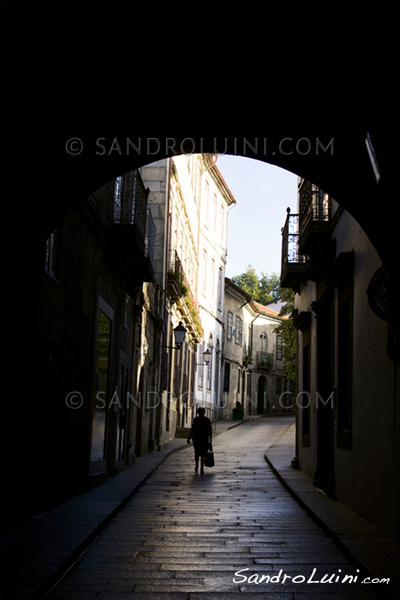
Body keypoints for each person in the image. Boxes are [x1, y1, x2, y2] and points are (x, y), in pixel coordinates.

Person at [187, 406, 212, 474]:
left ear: (198, 413)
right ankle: (202, 468)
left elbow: (192, 429)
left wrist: (189, 438)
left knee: (197, 453)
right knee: (203, 453)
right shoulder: (207, 420)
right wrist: (210, 442)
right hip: (204, 439)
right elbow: (210, 432)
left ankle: (196, 466)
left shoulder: (196, 420)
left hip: (196, 439)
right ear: (204, 413)